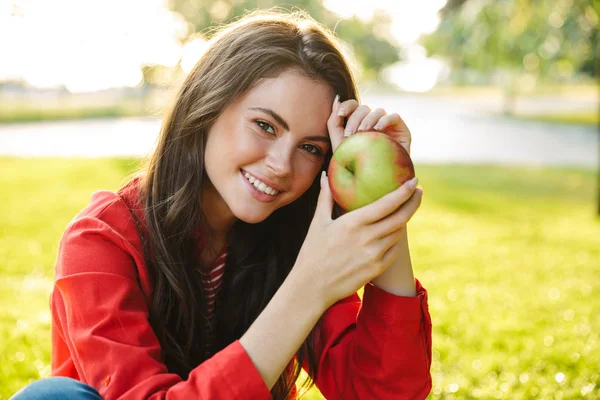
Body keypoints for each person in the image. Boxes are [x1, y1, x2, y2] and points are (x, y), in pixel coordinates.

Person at [11, 10, 431, 400]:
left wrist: (383, 196)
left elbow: (385, 391)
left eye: (310, 147)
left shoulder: (296, 240)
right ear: (206, 106)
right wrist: (307, 289)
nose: (281, 165)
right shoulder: (101, 240)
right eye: (265, 125)